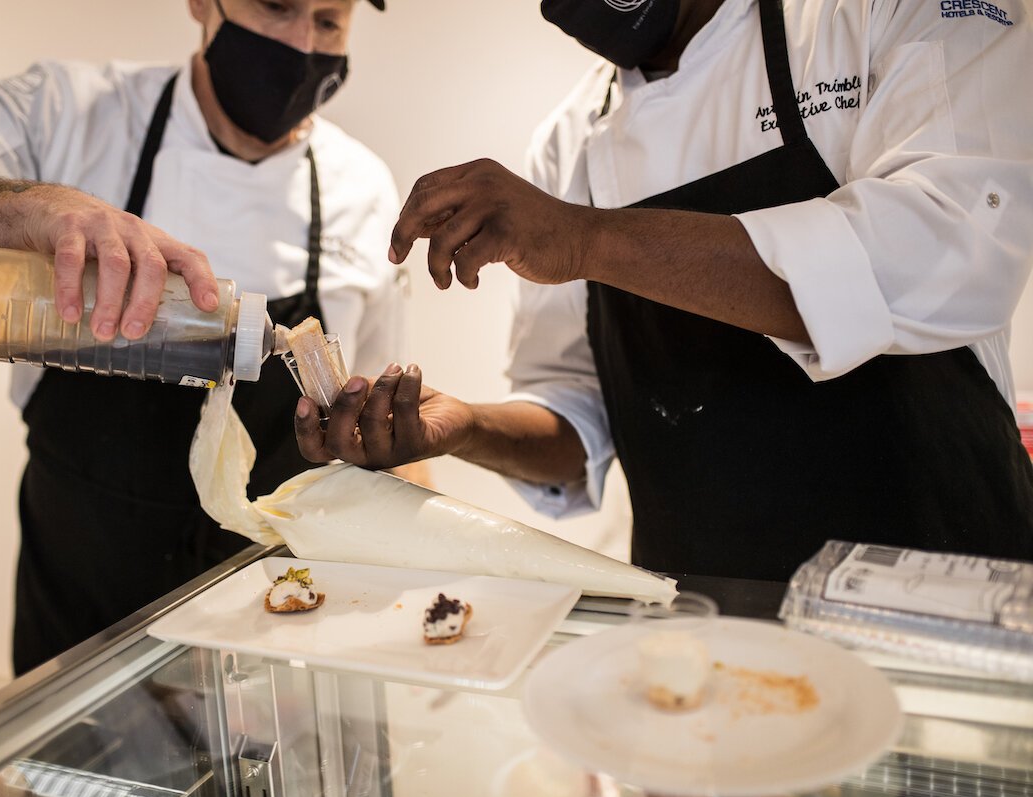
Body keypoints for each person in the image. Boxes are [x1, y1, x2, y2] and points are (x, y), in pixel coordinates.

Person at [297, 0, 1033, 580]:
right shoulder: (570, 141)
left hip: (939, 595)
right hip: (700, 619)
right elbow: (575, 417)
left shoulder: (877, 13)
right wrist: (464, 429)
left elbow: (953, 249)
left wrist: (589, 238)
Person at [0, 0, 402, 674]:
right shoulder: (64, 115)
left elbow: (376, 443)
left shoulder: (362, 189)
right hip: (82, 639)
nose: (301, 43)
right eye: (275, 5)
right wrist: (13, 211)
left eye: (329, 21)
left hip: (278, 654)